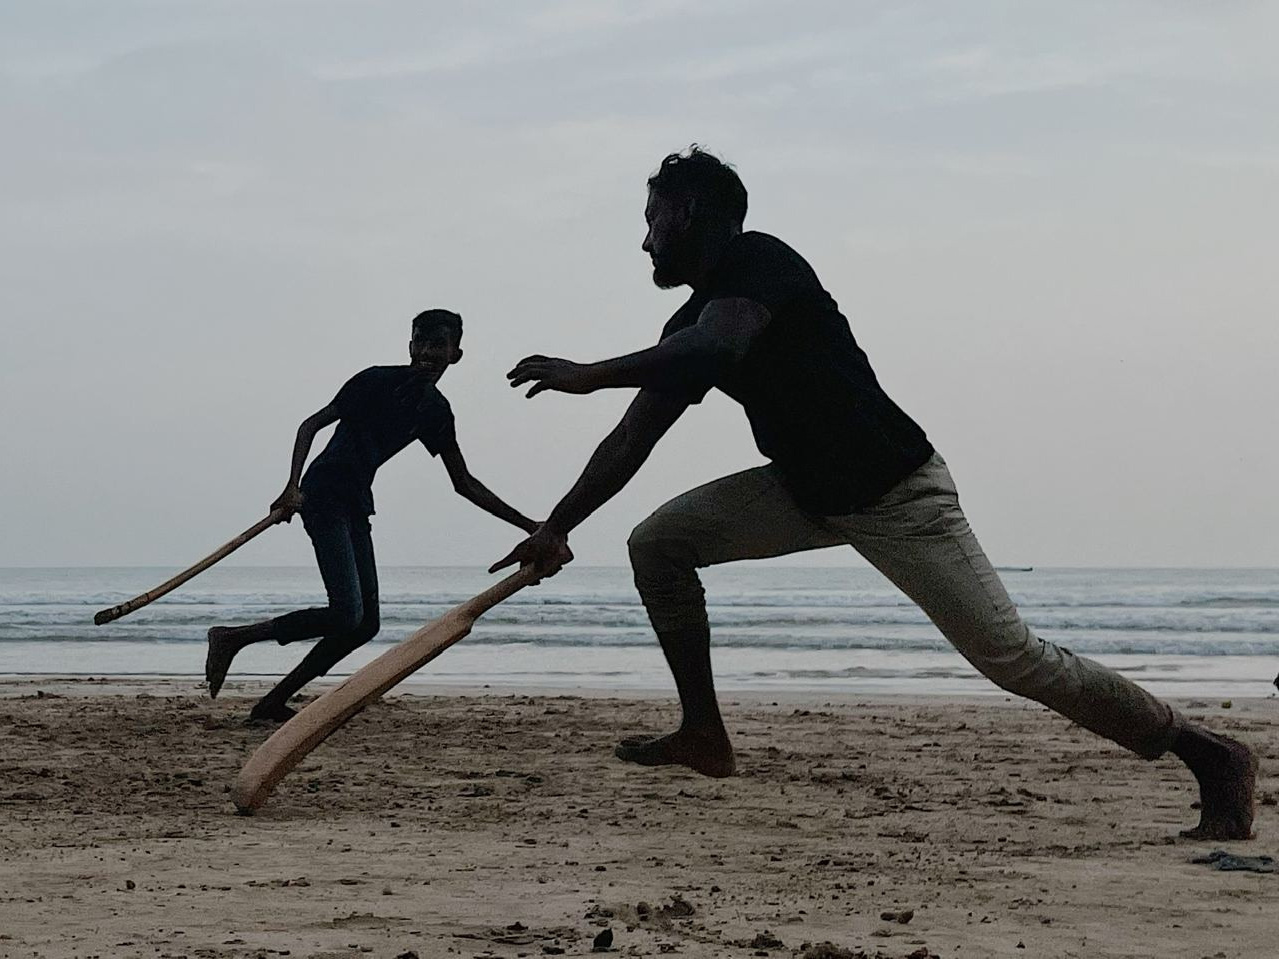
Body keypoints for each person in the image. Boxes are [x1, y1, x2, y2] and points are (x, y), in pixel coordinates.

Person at [493, 146, 1256, 841]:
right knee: (657, 543)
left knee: (1013, 658)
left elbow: (720, 344)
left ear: (690, 212)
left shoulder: (758, 263)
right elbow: (631, 439)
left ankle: (1208, 752)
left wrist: (589, 372)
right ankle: (703, 734)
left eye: (651, 220)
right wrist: (554, 526)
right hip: (805, 490)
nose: (644, 241)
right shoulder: (688, 322)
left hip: (896, 493)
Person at [207, 308, 539, 722]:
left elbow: (464, 483)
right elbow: (311, 425)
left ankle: (274, 700)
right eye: (421, 341)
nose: (428, 352)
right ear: (410, 345)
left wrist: (533, 527)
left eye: (439, 344)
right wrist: (291, 487)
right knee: (347, 612)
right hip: (322, 494)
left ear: (455, 354)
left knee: (365, 625)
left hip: (356, 502)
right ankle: (233, 638)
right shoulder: (375, 380)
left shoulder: (435, 411)